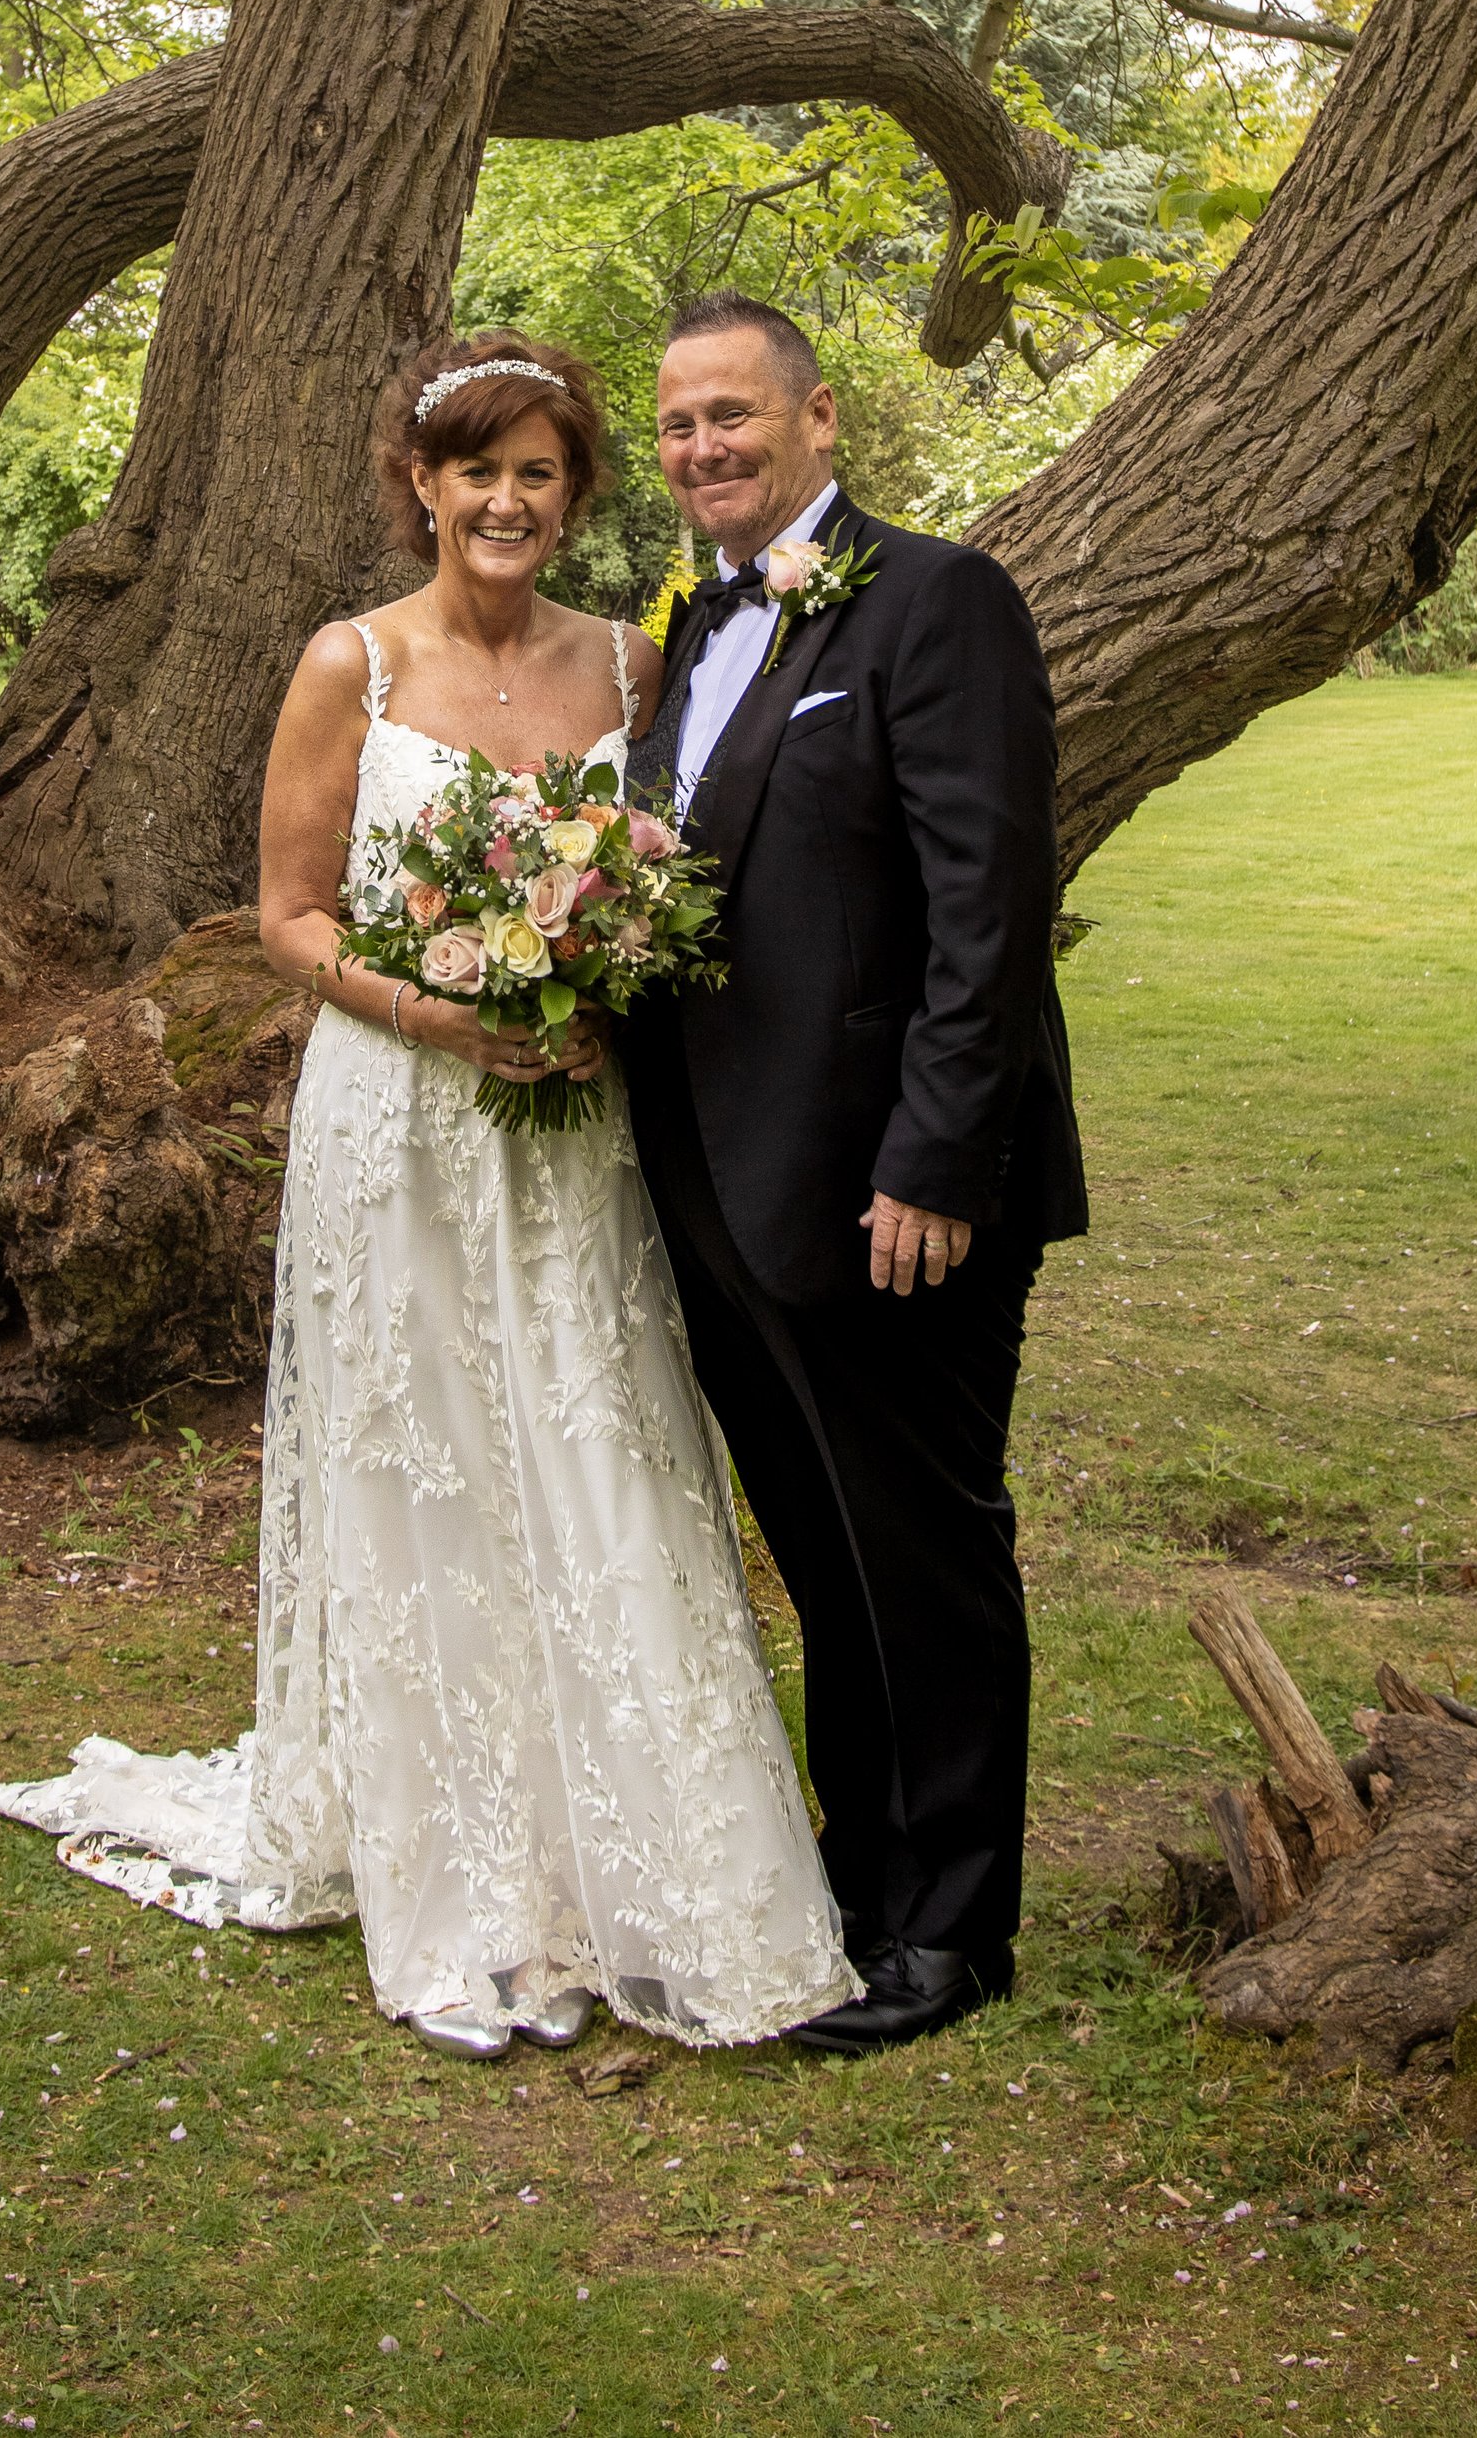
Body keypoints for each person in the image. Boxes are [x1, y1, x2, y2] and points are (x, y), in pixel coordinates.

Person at [0, 331, 854, 2065]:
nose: (507, 501)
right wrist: (452, 1009)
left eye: (539, 470)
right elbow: (292, 919)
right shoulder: (348, 668)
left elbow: (670, 877)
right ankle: (461, 1878)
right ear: (422, 487)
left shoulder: (634, 658)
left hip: (575, 1139)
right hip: (396, 1121)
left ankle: (650, 1855)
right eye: (476, 470)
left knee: (591, 1445)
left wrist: (596, 972)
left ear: (576, 489)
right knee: (421, 1460)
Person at [618, 292, 1086, 2054]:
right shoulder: (692, 621)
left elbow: (988, 914)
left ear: (819, 420)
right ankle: (865, 1876)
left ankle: (956, 1931)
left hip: (899, 1192)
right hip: (727, 1183)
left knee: (925, 1549)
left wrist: (937, 1161)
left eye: (733, 415)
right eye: (677, 426)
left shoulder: (939, 601)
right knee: (823, 1549)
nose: (703, 449)